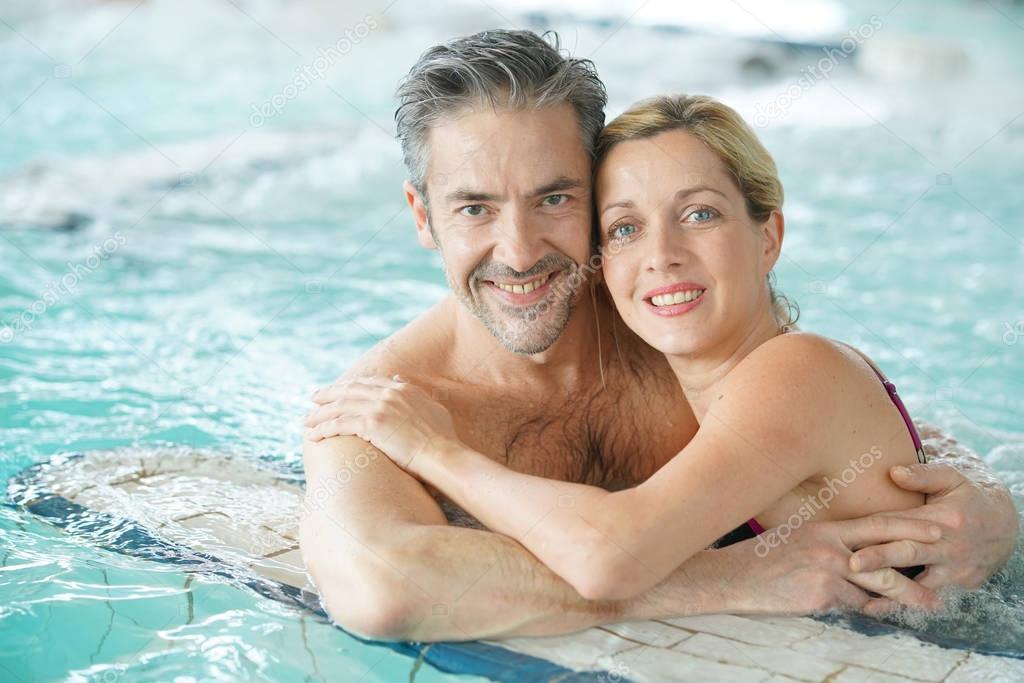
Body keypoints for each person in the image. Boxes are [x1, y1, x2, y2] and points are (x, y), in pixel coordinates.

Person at [300, 29, 1018, 642]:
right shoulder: (381, 408)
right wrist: (725, 578)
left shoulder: (663, 312)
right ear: (422, 217)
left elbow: (851, 422)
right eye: (474, 207)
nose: (518, 251)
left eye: (554, 198)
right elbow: (383, 584)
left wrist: (992, 501)